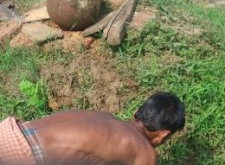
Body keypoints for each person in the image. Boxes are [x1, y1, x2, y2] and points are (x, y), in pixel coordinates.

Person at [0, 91, 185, 165]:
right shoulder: (144, 153)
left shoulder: (103, 117)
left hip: (9, 132)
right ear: (163, 134)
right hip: (23, 157)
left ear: (137, 111)